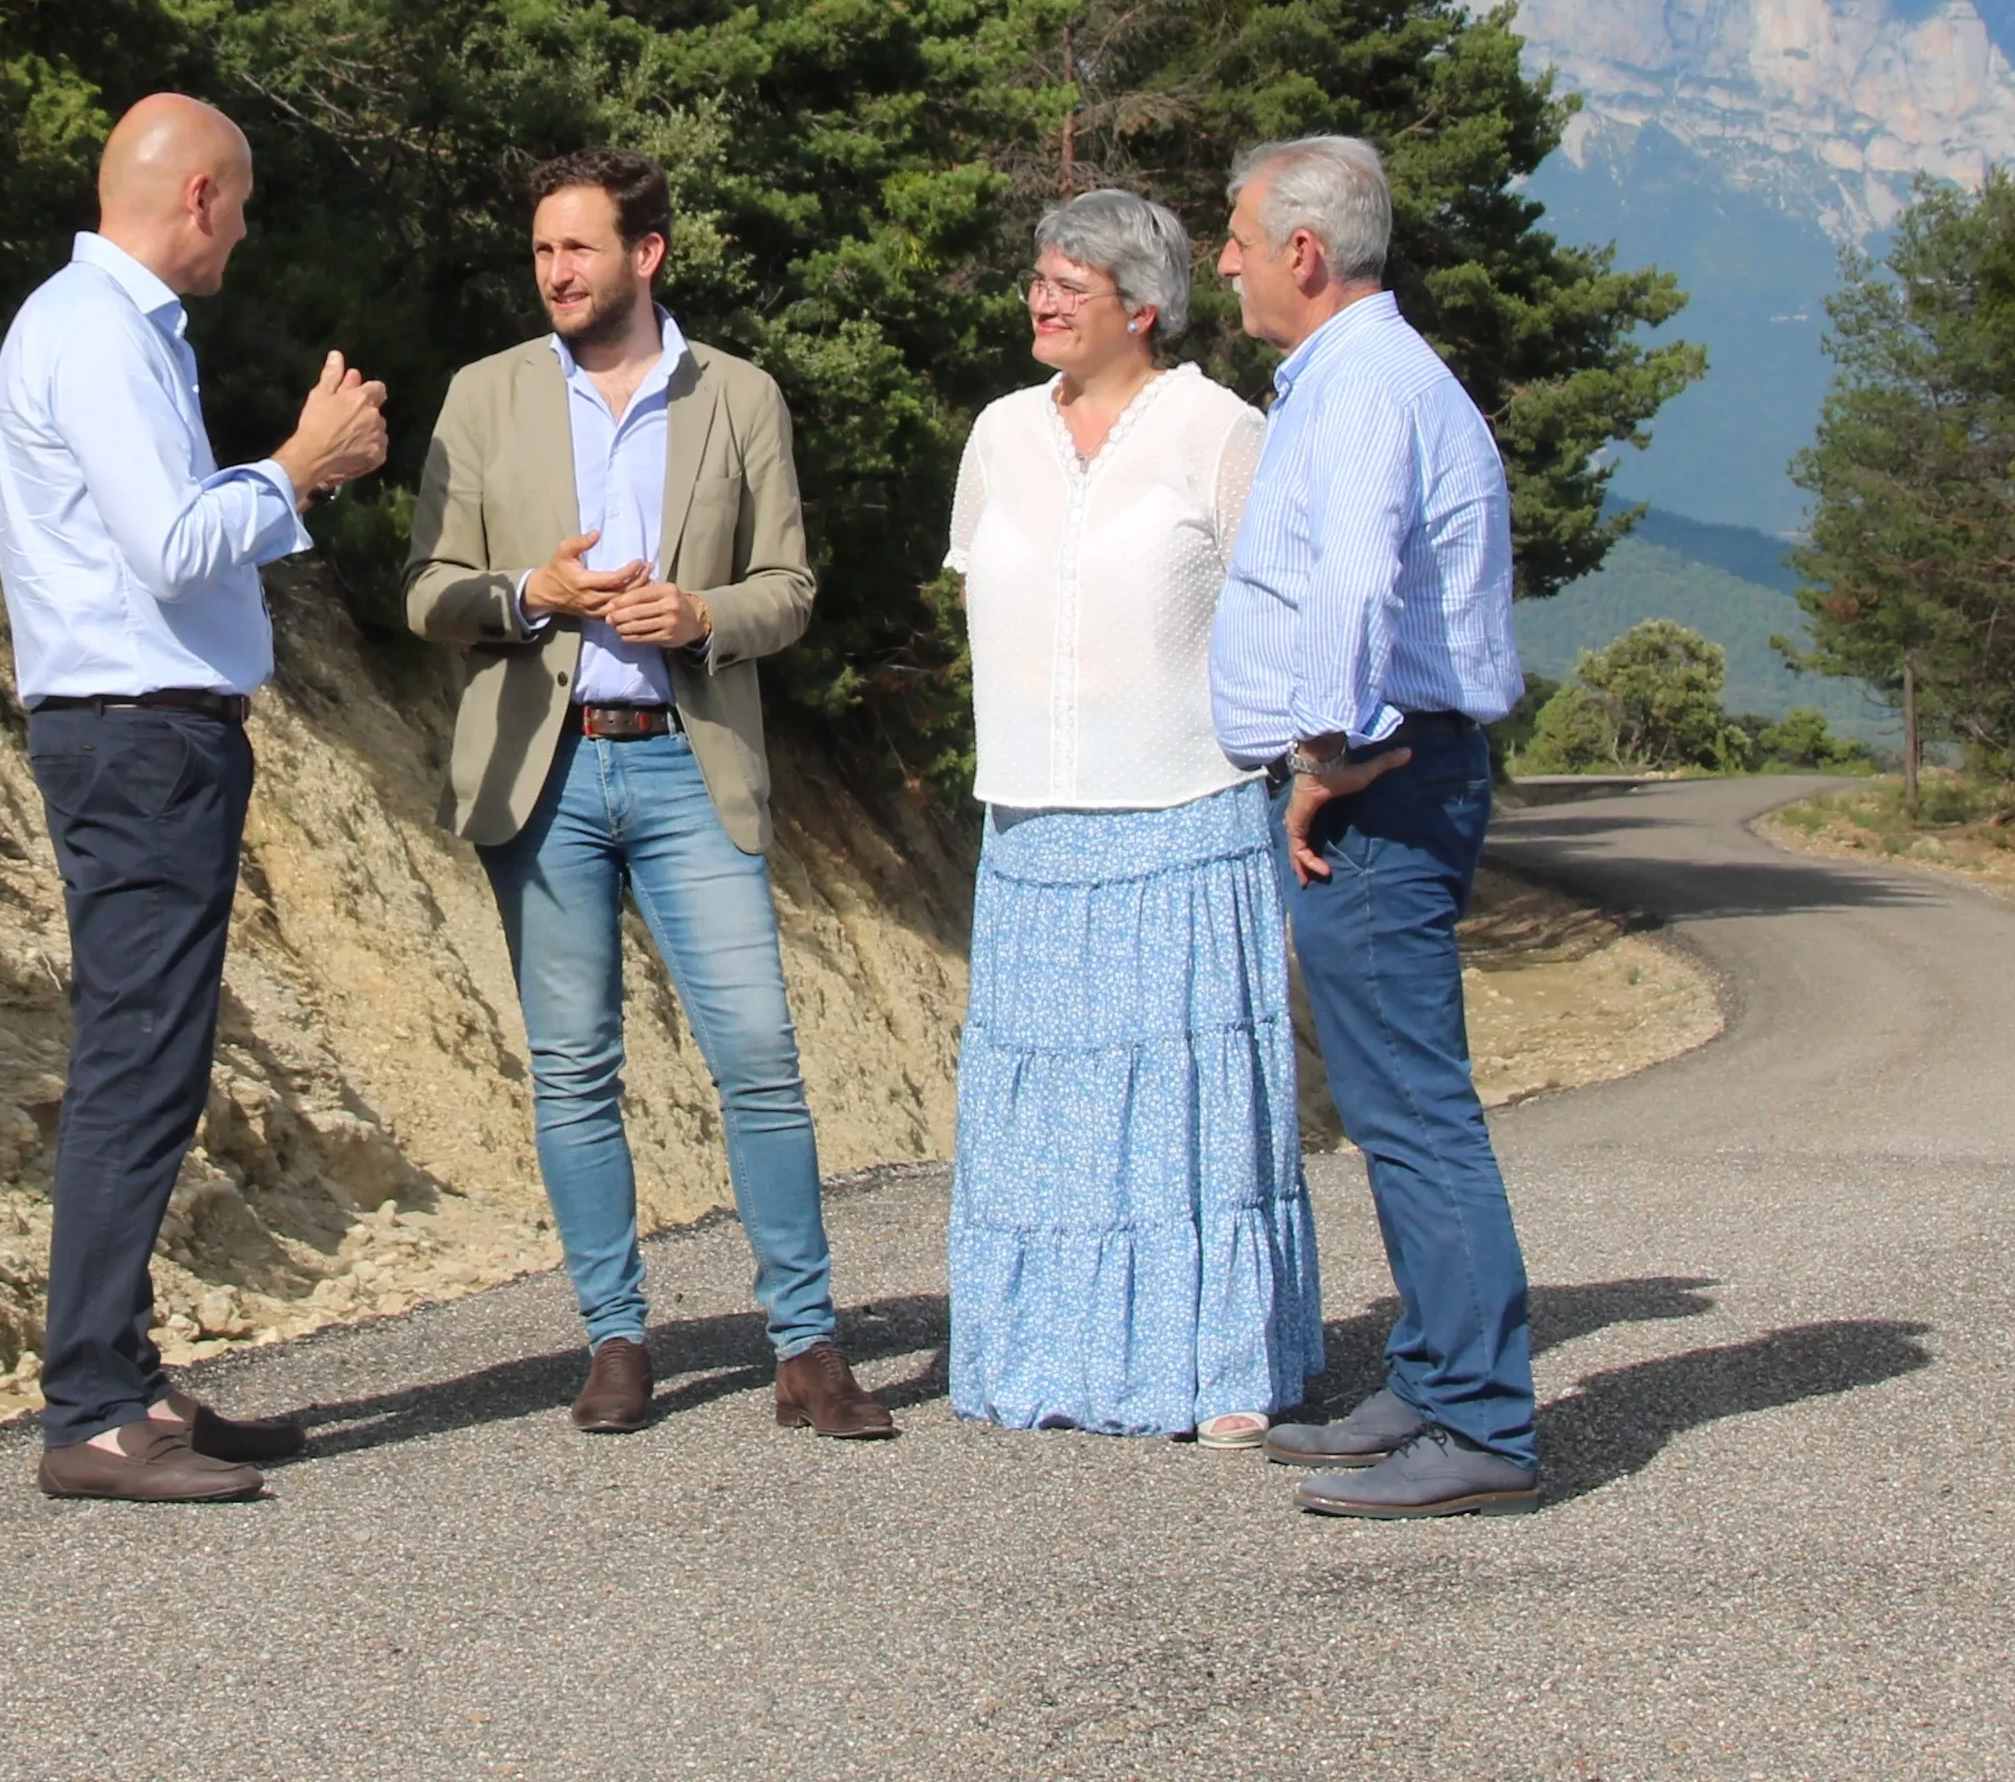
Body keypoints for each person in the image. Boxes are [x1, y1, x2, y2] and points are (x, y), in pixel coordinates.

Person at [403, 149, 891, 1442]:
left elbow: (785, 589)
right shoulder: (481, 397)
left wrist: (698, 615)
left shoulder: (735, 396)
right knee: (572, 1069)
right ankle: (613, 1341)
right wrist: (526, 596)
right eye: (540, 251)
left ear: (645, 254)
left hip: (688, 760)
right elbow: (425, 592)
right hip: (541, 770)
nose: (553, 272)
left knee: (758, 1061)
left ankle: (806, 1348)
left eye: (576, 249)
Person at [0, 93, 390, 1502]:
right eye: (245, 207)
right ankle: (93, 1409)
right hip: (135, 737)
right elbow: (169, 549)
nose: (242, 239)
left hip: (138, 735)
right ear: (203, 198)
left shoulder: (98, 327)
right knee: (136, 1063)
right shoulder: (96, 332)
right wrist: (300, 465)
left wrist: (280, 476)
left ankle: (125, 1380)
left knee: (146, 1054)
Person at [938, 186, 1321, 1443]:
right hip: (1035, 832)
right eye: (1037, 279)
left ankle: (1211, 1371)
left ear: (1141, 308)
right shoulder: (996, 433)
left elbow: (1279, 617)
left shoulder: (1220, 429)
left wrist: (1305, 754)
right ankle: (1045, 1357)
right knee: (1045, 1112)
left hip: (1184, 819)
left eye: (1068, 283)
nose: (1040, 300)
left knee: (1182, 1114)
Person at [1206, 133, 1545, 1517]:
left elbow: (1351, 589)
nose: (1219, 260)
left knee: (1410, 1112)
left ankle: (1478, 1420)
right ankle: (1430, 1375)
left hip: (1378, 786)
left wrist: (1329, 754)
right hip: (1394, 772)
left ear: (1302, 252)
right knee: (1398, 1104)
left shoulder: (1356, 393)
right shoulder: (1360, 379)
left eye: (1233, 237)